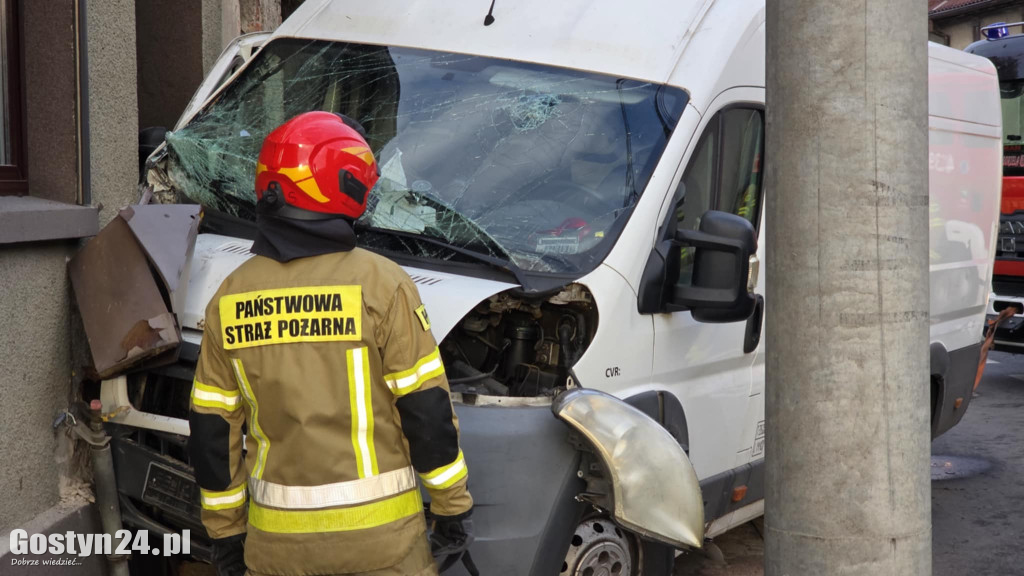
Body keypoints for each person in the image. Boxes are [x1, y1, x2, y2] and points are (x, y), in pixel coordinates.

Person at [187, 111, 473, 576]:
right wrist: (451, 508)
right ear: (345, 187)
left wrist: (224, 533)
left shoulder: (230, 297)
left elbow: (212, 432)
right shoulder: (382, 285)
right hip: (383, 548)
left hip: (276, 549)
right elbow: (426, 412)